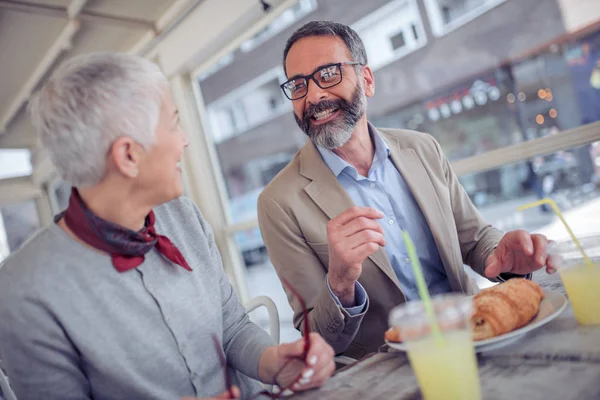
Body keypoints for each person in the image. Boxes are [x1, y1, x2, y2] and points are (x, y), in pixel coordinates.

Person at [0, 52, 335, 400]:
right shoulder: (23, 292)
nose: (184, 140)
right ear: (129, 155)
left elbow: (231, 328)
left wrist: (273, 362)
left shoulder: (183, 216)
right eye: (174, 123)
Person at [257, 21, 555, 359]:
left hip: (473, 334)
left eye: (328, 75)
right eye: (298, 85)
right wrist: (339, 283)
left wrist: (503, 254)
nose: (313, 96)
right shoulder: (279, 203)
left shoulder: (422, 148)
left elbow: (473, 239)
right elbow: (317, 339)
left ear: (366, 80)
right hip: (386, 371)